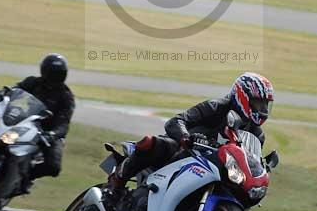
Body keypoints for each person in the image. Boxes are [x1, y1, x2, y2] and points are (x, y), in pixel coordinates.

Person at [107, 72, 275, 194]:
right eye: (258, 103)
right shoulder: (215, 108)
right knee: (154, 143)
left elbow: (249, 160)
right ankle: (118, 180)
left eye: (265, 105)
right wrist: (186, 137)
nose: (262, 109)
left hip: (215, 169)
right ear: (242, 96)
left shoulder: (257, 134)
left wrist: (262, 166)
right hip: (185, 153)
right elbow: (176, 121)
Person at [0, 53, 75, 185]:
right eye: (51, 72)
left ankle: (25, 178)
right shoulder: (33, 82)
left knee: (53, 166)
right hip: (25, 120)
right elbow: (13, 90)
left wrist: (52, 134)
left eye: (58, 73)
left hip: (48, 132)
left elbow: (64, 123)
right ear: (44, 71)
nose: (54, 76)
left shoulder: (66, 96)